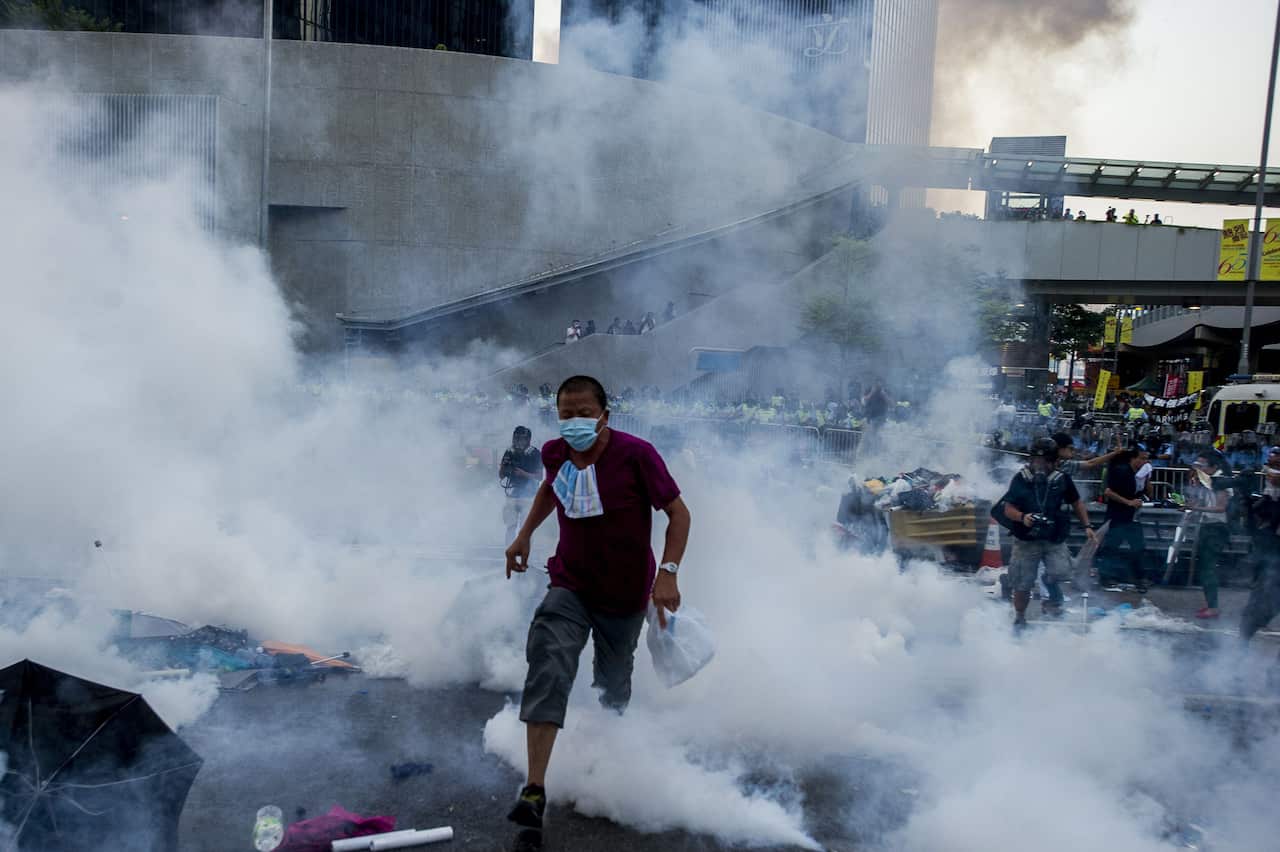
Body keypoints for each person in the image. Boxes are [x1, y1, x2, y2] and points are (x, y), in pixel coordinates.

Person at [503, 375, 692, 837]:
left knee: (612, 685)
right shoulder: (555, 453)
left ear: (605, 414)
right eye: (565, 413)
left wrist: (667, 573)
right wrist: (524, 534)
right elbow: (551, 488)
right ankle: (534, 789)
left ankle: (609, 763)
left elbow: (679, 514)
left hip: (625, 595)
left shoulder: (637, 455)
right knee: (549, 660)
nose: (574, 422)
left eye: (583, 412)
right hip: (569, 583)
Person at [998, 438, 1097, 628]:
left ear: (1054, 461)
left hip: (1054, 538)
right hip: (1026, 540)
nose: (1040, 465)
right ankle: (1019, 617)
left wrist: (1087, 526)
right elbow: (1008, 508)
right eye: (1036, 460)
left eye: (1044, 461)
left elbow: (1077, 503)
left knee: (1062, 572)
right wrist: (1022, 517)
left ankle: (1049, 588)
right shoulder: (1021, 478)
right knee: (1022, 583)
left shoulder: (1061, 479)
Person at [1185, 450, 1233, 619]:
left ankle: (1213, 607)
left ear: (1214, 466)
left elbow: (1220, 507)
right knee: (1204, 566)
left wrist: (1196, 508)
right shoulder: (1206, 481)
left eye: (1202, 465)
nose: (1199, 468)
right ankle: (1209, 603)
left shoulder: (1221, 481)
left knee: (1209, 568)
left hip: (1217, 528)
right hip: (1207, 526)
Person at [1098, 445, 1151, 589]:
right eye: (1142, 458)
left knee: (1138, 547)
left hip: (1132, 518)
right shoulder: (1121, 471)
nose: (1144, 462)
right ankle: (1106, 577)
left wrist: (1147, 478)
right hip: (1117, 516)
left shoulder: (1140, 475)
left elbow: (1147, 492)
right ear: (1133, 458)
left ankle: (1139, 577)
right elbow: (1108, 492)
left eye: (1147, 459)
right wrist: (1128, 502)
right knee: (1111, 547)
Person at [500, 426, 544, 544]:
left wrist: (523, 474)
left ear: (528, 439)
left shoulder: (534, 453)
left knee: (526, 528)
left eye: (521, 438)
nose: (518, 441)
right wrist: (504, 468)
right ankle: (509, 553)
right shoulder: (509, 452)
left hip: (528, 495)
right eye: (516, 438)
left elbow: (540, 476)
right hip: (512, 494)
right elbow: (501, 476)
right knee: (510, 526)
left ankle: (527, 555)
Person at [1051, 432, 1118, 502]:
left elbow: (1090, 463)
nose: (1073, 452)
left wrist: (1114, 453)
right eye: (1070, 448)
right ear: (1060, 448)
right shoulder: (1058, 465)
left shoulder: (1066, 464)